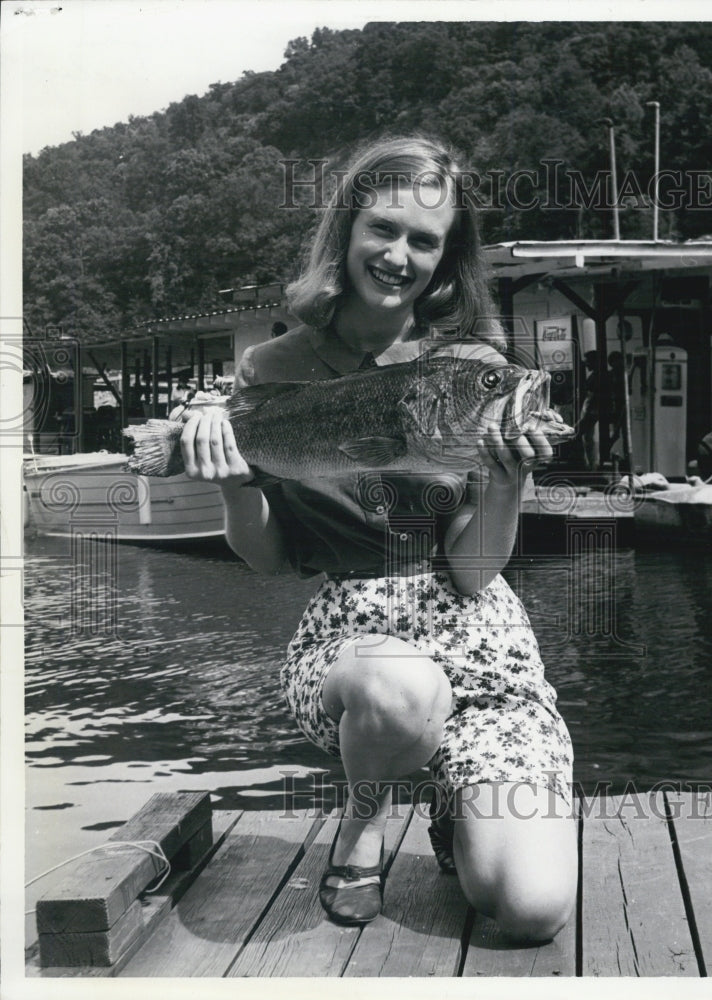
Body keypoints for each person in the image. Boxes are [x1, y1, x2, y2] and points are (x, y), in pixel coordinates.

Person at [179, 136, 576, 942]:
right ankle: (362, 822)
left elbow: (472, 575)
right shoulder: (273, 368)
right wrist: (233, 480)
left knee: (532, 908)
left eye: (424, 240)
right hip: (360, 655)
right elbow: (267, 558)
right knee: (400, 684)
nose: (399, 254)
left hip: (479, 646)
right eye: (384, 229)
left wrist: (509, 477)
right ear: (347, 230)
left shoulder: (468, 367)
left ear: (446, 258)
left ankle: (452, 810)